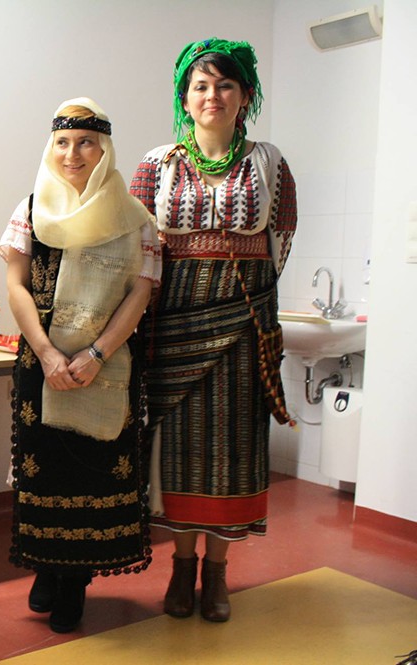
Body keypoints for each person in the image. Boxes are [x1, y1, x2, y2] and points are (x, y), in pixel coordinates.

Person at [129, 38, 297, 623]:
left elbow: (281, 238)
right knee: (178, 449)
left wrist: (243, 301)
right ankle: (181, 566)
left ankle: (218, 572)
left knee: (235, 451)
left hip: (244, 326)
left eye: (225, 85)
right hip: (172, 326)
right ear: (185, 97)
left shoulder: (269, 162)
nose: (212, 96)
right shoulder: (157, 164)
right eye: (200, 86)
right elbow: (138, 244)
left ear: (245, 95)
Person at [0, 98, 160, 633]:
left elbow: (140, 293)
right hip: (40, 365)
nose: (73, 153)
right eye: (63, 142)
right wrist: (47, 352)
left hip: (105, 367)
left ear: (105, 149)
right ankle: (47, 567)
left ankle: (75, 582)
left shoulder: (135, 219)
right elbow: (16, 286)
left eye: (86, 142)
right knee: (43, 468)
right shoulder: (30, 209)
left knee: (92, 471)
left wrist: (96, 354)